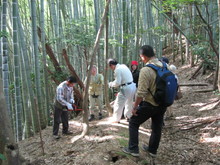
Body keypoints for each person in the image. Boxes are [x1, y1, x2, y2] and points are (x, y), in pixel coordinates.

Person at [122, 45, 167, 157]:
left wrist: (135, 107)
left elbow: (141, 92)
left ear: (143, 57)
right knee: (157, 127)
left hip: (150, 103)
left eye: (141, 57)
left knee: (133, 122)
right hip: (163, 103)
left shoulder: (146, 70)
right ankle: (152, 150)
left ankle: (133, 149)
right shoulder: (165, 66)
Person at [108, 59, 136, 123]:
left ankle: (116, 119)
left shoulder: (117, 70)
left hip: (126, 87)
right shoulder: (123, 66)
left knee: (118, 103)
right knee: (129, 102)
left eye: (110, 67)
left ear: (112, 65)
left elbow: (118, 82)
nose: (111, 68)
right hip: (132, 86)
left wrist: (111, 84)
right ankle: (128, 116)